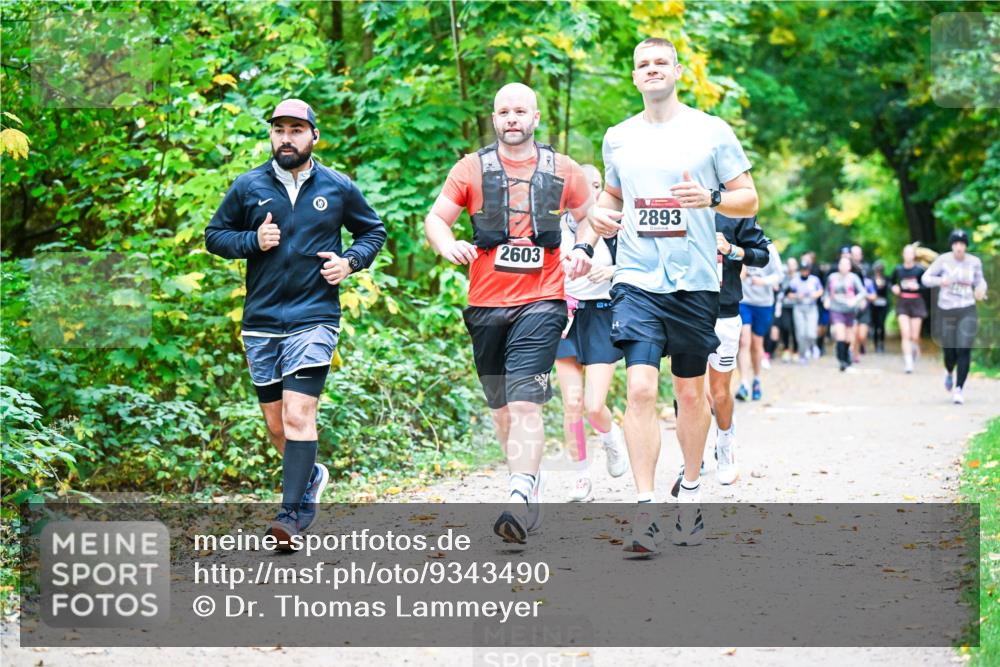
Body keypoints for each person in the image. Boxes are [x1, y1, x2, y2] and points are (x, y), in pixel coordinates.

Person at [587, 37, 759, 554]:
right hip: (637, 278)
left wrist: (710, 198)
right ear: (635, 76)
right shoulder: (618, 137)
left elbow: (748, 196)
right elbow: (612, 194)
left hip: (697, 281)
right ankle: (645, 512)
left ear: (678, 70)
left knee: (689, 393)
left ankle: (689, 487)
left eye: (661, 61)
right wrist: (597, 215)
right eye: (643, 64)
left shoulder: (711, 132)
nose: (652, 69)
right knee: (640, 389)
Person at [205, 99, 387, 547]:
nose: (287, 137)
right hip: (262, 319)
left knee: (298, 413)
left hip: (315, 316)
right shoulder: (248, 186)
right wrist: (253, 239)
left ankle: (290, 517)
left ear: (313, 136)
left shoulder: (337, 187)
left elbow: (373, 231)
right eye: (279, 129)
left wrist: (350, 262)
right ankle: (311, 476)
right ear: (272, 135)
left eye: (296, 130)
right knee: (275, 426)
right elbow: (214, 236)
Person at [424, 83, 595, 543]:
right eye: (504, 112)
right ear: (495, 119)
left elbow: (590, 214)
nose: (512, 118)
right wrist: (447, 244)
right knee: (502, 411)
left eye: (521, 111)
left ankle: (518, 495)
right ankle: (529, 481)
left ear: (536, 117)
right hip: (485, 303)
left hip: (543, 299)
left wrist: (584, 249)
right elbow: (436, 219)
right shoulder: (470, 169)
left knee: (524, 401)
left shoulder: (565, 169)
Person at [554, 164, 628, 502]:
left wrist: (609, 271)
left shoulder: (614, 226)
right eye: (584, 186)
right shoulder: (555, 228)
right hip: (566, 318)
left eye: (597, 185)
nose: (591, 192)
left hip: (602, 316)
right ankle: (581, 477)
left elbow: (638, 266)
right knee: (572, 404)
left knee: (593, 405)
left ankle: (612, 438)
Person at [922, 229, 988, 404]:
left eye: (962, 244)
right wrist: (940, 281)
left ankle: (959, 389)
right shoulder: (943, 260)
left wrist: (981, 289)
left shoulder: (974, 262)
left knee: (964, 348)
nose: (959, 247)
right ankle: (949, 371)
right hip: (946, 309)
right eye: (956, 244)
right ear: (952, 245)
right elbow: (925, 278)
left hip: (967, 308)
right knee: (950, 351)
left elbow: (980, 281)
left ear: (966, 246)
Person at [735, 244, 784, 401]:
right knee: (744, 341)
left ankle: (756, 379)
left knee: (757, 344)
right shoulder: (738, 245)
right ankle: (743, 383)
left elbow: (779, 275)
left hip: (763, 303)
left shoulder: (768, 247)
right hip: (743, 301)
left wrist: (763, 281)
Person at [824, 256, 866, 372]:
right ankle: (842, 361)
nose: (843, 267)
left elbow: (862, 292)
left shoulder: (853, 278)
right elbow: (826, 292)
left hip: (850, 310)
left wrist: (855, 300)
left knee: (848, 337)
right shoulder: (832, 277)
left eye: (846, 265)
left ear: (850, 267)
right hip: (836, 308)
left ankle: (847, 360)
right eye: (841, 264)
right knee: (840, 334)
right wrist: (826, 300)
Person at [891, 244, 928, 373]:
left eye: (910, 253)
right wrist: (894, 288)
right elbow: (891, 282)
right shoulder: (898, 269)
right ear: (903, 255)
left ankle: (915, 347)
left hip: (916, 301)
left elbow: (927, 285)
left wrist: (918, 287)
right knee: (905, 333)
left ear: (914, 255)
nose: (908, 256)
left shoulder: (919, 270)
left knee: (914, 335)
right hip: (903, 302)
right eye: (906, 253)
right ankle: (908, 363)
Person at [786, 261, 824, 363]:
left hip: (811, 307)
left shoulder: (814, 280)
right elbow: (788, 294)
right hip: (799, 308)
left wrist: (815, 294)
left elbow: (821, 290)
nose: (804, 272)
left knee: (811, 332)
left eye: (806, 269)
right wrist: (797, 295)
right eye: (803, 270)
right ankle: (803, 354)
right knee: (801, 333)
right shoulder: (795, 281)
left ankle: (813, 346)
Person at [871, 261, 889, 353]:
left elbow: (888, 290)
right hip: (873, 305)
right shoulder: (871, 280)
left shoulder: (886, 279)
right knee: (874, 325)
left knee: (881, 325)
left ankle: (881, 343)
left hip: (883, 304)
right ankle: (875, 344)